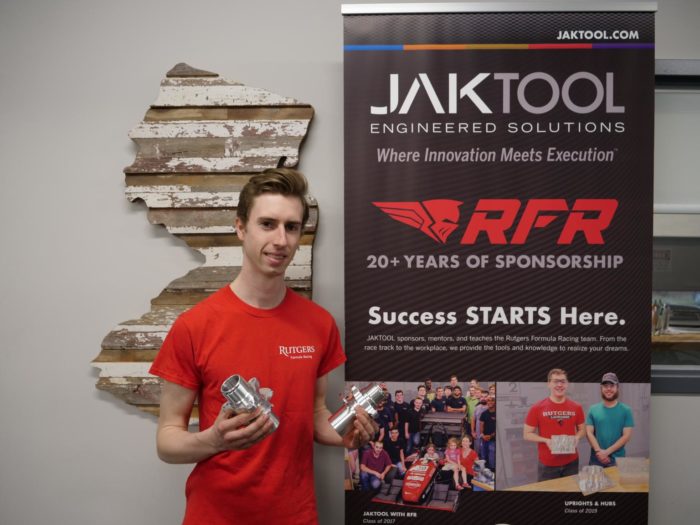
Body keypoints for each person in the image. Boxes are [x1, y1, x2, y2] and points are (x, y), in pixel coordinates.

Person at [150, 168, 377, 525]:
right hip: (216, 515)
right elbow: (167, 440)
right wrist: (215, 440)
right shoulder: (194, 326)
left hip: (295, 515)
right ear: (241, 228)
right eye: (267, 224)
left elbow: (313, 415)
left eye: (292, 227)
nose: (281, 240)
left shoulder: (319, 325)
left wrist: (347, 435)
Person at [523, 369, 585, 481]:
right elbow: (527, 434)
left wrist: (577, 437)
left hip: (571, 462)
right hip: (548, 464)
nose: (560, 385)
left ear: (567, 384)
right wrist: (546, 440)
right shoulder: (537, 408)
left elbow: (582, 430)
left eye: (563, 381)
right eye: (556, 381)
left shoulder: (576, 407)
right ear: (548, 383)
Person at [585, 372, 635, 467]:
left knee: (616, 482)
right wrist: (599, 452)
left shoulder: (626, 410)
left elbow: (626, 437)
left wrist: (606, 452)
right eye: (605, 386)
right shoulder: (593, 409)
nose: (608, 389)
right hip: (596, 458)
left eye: (612, 385)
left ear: (617, 388)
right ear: (601, 388)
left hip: (617, 460)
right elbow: (589, 433)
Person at [479, 395, 497, 471]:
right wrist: (482, 435)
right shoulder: (484, 413)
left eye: (492, 400)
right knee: (483, 456)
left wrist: (491, 436)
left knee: (492, 456)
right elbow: (481, 425)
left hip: (494, 439)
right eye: (488, 401)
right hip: (484, 438)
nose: (490, 402)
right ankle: (484, 472)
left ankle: (492, 471)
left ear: (495, 402)